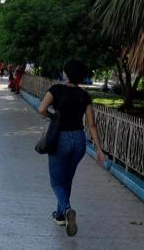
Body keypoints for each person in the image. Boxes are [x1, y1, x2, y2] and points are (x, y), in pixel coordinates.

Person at [37, 60, 106, 237]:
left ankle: (67, 209)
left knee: (57, 181)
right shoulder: (84, 96)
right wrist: (99, 149)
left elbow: (42, 109)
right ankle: (60, 215)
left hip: (61, 139)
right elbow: (92, 125)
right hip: (79, 140)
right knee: (67, 179)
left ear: (65, 74)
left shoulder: (56, 90)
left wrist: (54, 117)